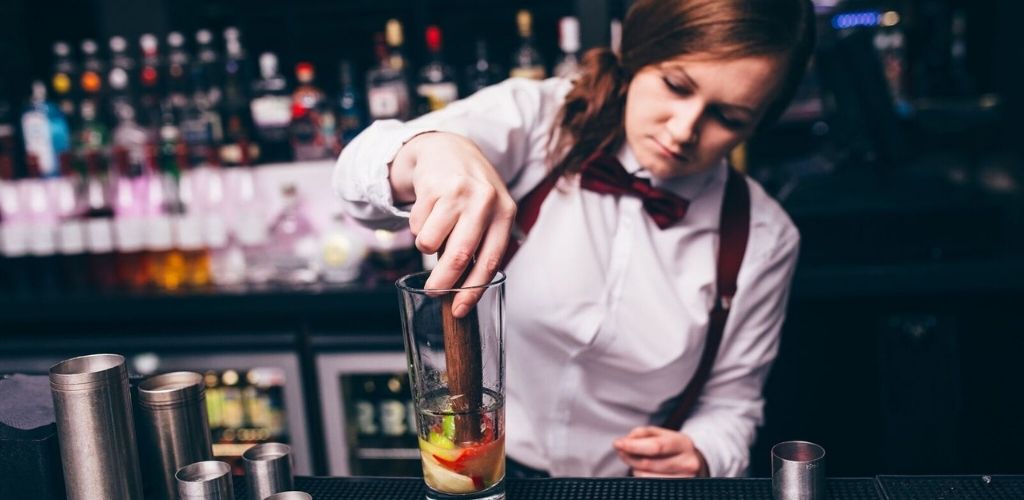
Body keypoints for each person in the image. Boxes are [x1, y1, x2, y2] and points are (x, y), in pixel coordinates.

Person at [335, 0, 816, 478]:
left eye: (729, 118)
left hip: (627, 486)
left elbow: (733, 406)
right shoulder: (541, 119)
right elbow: (356, 178)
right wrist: (432, 149)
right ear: (637, 53)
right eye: (676, 85)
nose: (685, 129)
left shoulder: (763, 236)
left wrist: (704, 451)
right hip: (483, 466)